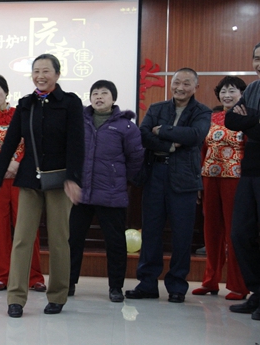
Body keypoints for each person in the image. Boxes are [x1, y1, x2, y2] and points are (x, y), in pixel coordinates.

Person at [0, 53, 84, 318]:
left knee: (59, 240)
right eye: (36, 71)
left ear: (57, 74)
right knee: (22, 239)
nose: (40, 76)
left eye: (46, 71)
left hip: (59, 181)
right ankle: (16, 298)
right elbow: (9, 143)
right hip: (30, 179)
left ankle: (58, 295)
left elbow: (77, 144)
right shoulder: (26, 104)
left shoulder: (70, 103)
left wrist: (74, 179)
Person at [125, 67, 211, 303]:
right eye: (176, 82)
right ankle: (147, 284)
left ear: (195, 87)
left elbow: (195, 135)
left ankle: (177, 286)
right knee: (151, 231)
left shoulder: (202, 111)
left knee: (182, 234)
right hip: (155, 174)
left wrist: (163, 130)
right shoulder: (157, 108)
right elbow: (144, 135)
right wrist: (171, 144)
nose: (180, 88)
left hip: (184, 178)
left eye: (186, 83)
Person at [68, 80, 143, 302]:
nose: (99, 97)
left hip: (112, 193)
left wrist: (121, 179)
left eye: (104, 93)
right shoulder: (78, 122)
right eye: (95, 93)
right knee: (73, 240)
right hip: (81, 193)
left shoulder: (126, 126)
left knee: (115, 243)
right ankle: (68, 283)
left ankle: (116, 287)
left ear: (114, 98)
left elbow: (136, 158)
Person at [0, 74, 46, 292]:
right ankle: (1, 276)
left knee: (27, 228)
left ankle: (34, 276)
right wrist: (3, 166)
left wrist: (17, 163)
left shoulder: (21, 114)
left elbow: (32, 144)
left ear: (6, 92)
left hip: (22, 179)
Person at [192, 76, 249, 300]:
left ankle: (238, 285)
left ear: (242, 94)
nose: (227, 95)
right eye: (223, 91)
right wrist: (199, 180)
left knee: (235, 232)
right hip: (209, 177)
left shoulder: (247, 117)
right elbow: (202, 150)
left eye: (232, 91)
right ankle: (210, 281)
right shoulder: (211, 117)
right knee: (211, 230)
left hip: (236, 179)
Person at [226, 42, 260, 320]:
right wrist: (254, 121)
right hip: (250, 169)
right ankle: (257, 292)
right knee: (241, 233)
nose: (259, 64)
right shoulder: (252, 89)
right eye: (256, 58)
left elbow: (245, 123)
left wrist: (250, 119)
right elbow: (231, 120)